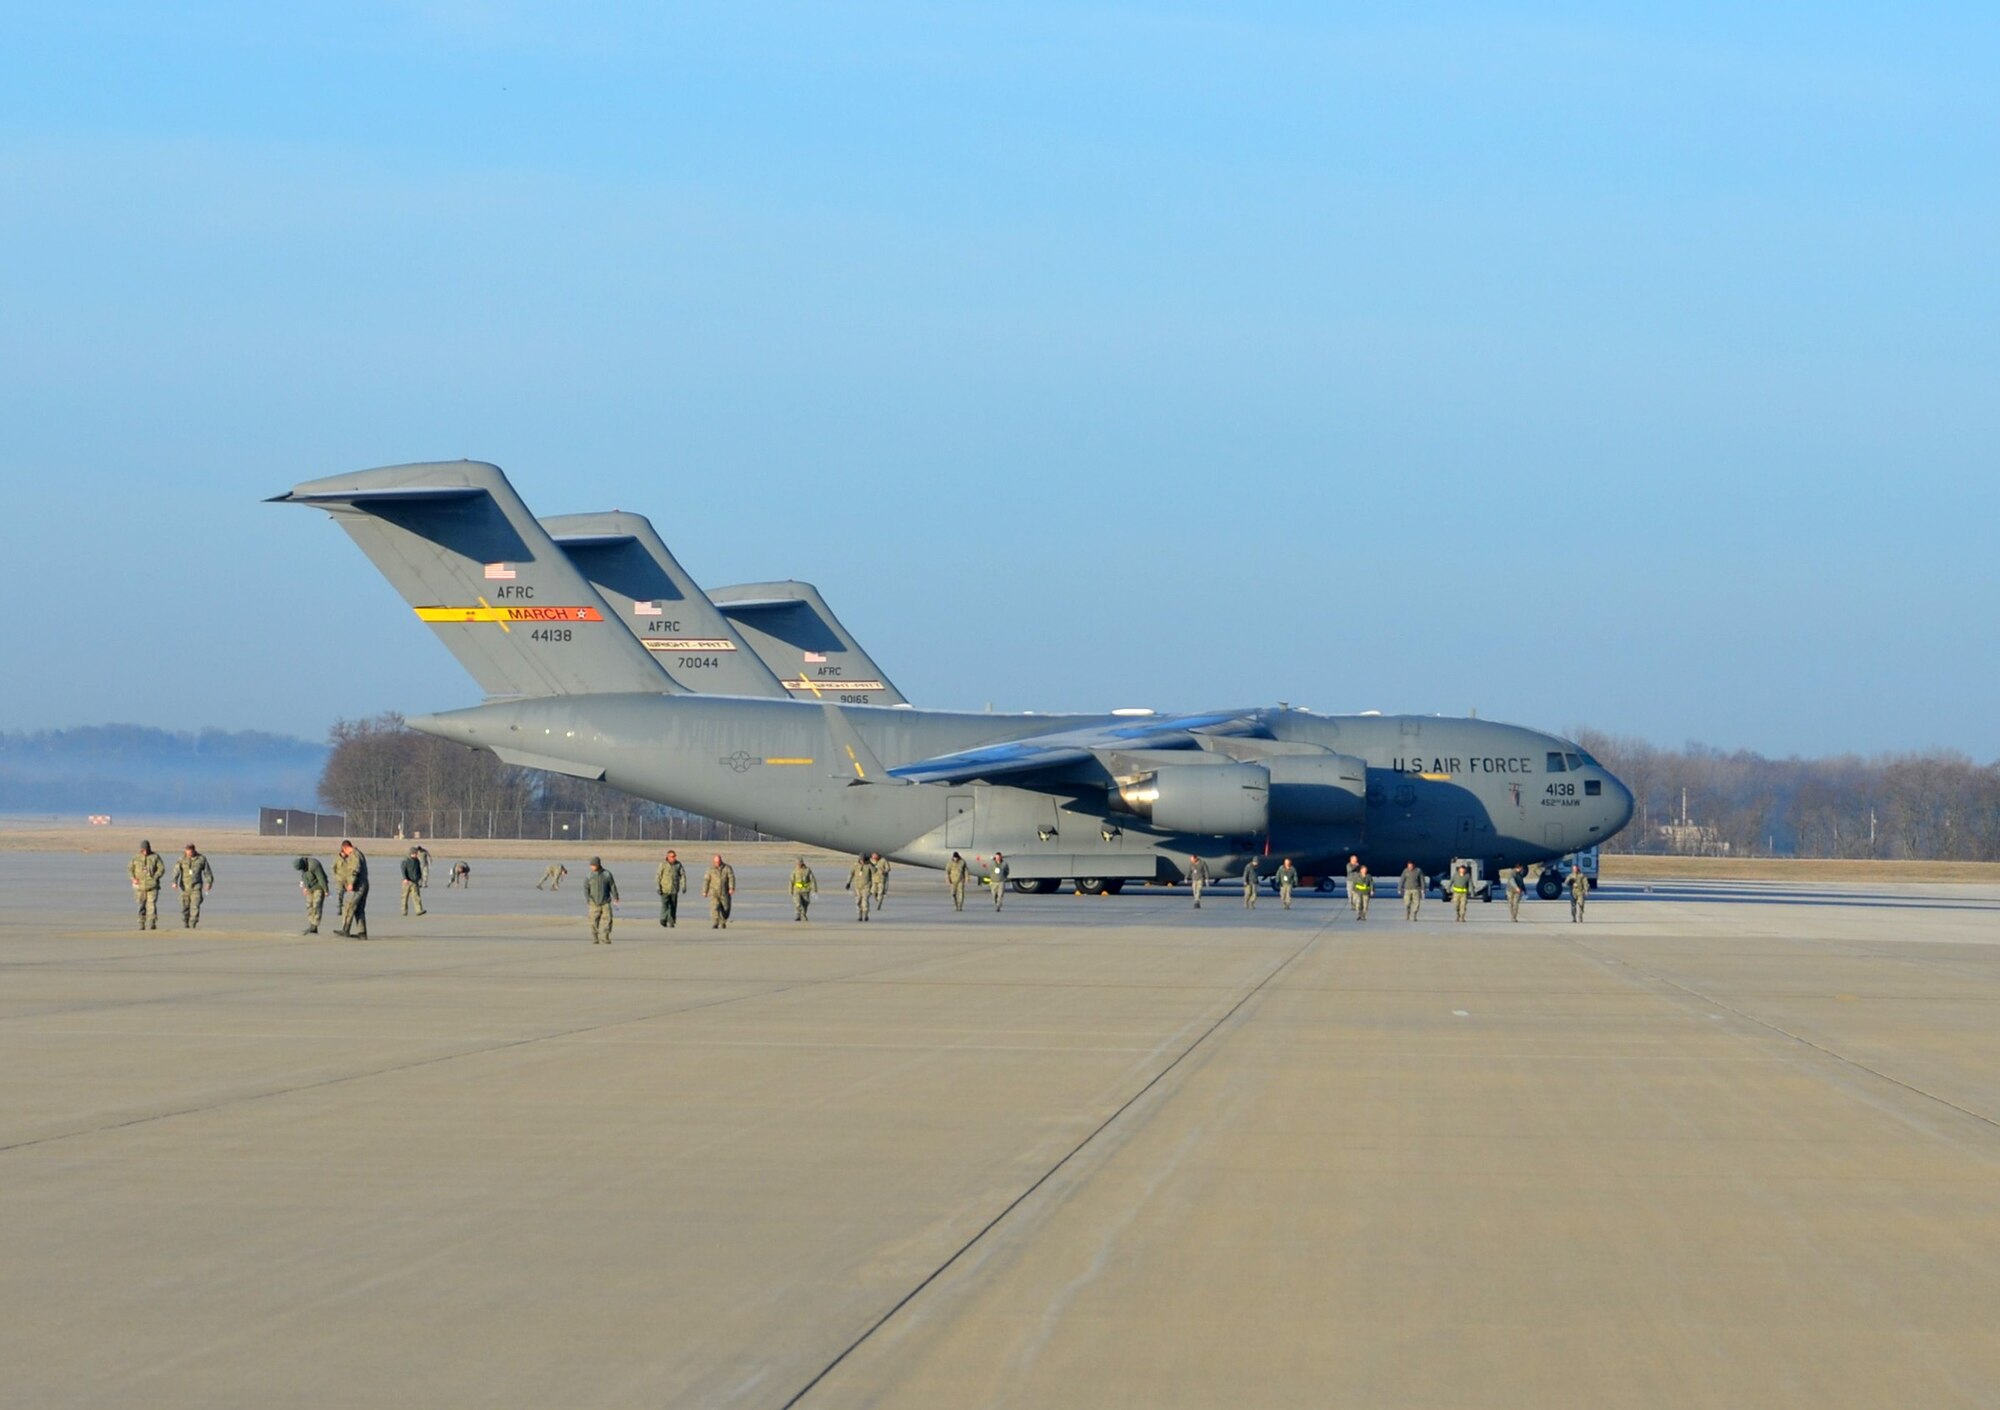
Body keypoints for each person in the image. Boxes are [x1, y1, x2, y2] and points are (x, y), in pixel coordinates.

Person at [172, 843, 214, 929]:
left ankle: (193, 925)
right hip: (184, 888)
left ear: (194, 850)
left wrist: (208, 883)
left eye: (190, 852)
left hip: (196, 887)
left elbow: (207, 873)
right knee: (185, 907)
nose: (189, 854)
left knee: (195, 906)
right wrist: (174, 881)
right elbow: (176, 871)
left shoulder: (201, 859)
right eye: (187, 852)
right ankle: (185, 923)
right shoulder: (181, 859)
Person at [333, 840, 369, 938]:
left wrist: (351, 883)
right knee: (359, 909)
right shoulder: (359, 854)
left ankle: (346, 930)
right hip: (364, 884)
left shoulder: (354, 855)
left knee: (349, 907)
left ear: (345, 848)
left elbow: (355, 870)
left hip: (358, 886)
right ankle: (362, 933)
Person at [128, 840, 164, 931]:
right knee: (141, 905)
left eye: (146, 849)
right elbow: (130, 869)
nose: (144, 852)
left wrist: (155, 877)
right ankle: (141, 923)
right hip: (139, 887)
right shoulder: (136, 858)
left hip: (152, 886)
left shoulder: (155, 857)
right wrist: (133, 878)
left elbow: (161, 868)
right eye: (143, 850)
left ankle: (152, 923)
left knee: (151, 905)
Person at [584, 856, 619, 943]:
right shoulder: (589, 876)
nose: (591, 867)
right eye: (590, 865)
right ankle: (595, 937)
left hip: (605, 901)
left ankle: (606, 936)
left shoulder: (607, 874)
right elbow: (586, 888)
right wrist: (588, 899)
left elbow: (612, 886)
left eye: (593, 865)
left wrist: (616, 897)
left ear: (598, 865)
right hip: (593, 902)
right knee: (593, 920)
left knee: (608, 920)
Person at [295, 855, 329, 934]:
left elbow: (321, 878)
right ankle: (311, 925)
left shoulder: (314, 864)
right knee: (309, 905)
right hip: (310, 887)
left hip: (319, 886)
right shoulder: (302, 867)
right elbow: (304, 877)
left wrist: (326, 890)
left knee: (317, 905)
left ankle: (314, 926)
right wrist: (305, 887)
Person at [702, 853, 736, 929]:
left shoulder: (727, 868)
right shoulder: (710, 869)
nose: (717, 863)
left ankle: (723, 921)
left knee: (726, 909)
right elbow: (706, 880)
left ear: (721, 860)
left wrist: (731, 888)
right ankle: (715, 922)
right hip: (714, 892)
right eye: (716, 862)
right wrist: (705, 890)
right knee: (714, 907)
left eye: (719, 861)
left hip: (725, 892)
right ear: (713, 862)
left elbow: (731, 878)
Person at [656, 849, 686, 928]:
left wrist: (683, 886)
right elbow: (658, 876)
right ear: (668, 857)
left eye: (674, 856)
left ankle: (671, 921)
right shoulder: (663, 865)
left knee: (673, 906)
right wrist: (658, 887)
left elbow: (682, 875)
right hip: (664, 889)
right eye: (672, 856)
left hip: (674, 889)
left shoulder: (678, 865)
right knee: (665, 905)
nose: (674, 858)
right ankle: (663, 919)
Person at [846, 854, 875, 921]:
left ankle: (866, 915)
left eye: (863, 860)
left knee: (865, 901)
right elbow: (851, 874)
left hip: (866, 886)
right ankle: (860, 916)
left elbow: (874, 873)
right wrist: (848, 883)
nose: (862, 861)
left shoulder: (869, 866)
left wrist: (871, 863)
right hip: (857, 887)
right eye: (861, 860)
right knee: (858, 902)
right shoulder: (856, 865)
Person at [400, 847, 428, 916]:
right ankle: (404, 911)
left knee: (416, 897)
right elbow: (403, 870)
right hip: (407, 882)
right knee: (404, 897)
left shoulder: (417, 861)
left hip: (415, 882)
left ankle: (419, 910)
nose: (416, 855)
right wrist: (405, 878)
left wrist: (420, 878)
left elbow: (418, 870)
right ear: (412, 853)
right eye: (415, 853)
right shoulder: (405, 861)